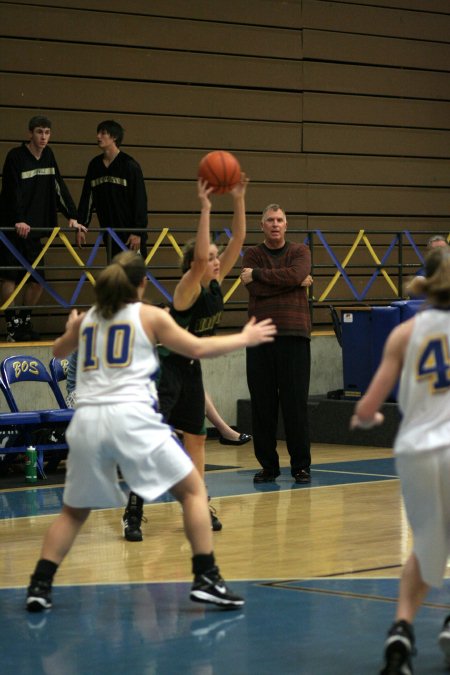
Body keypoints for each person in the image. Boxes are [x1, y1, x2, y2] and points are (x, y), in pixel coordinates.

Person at [25, 250, 276, 614]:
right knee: (193, 491)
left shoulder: (90, 319)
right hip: (131, 418)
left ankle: (39, 586)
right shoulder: (149, 315)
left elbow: (58, 350)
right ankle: (206, 578)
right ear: (142, 284)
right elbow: (199, 347)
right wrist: (245, 336)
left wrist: (70, 329)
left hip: (87, 424)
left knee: (72, 513)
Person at [122, 175, 249, 540]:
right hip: (163, 373)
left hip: (190, 371)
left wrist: (238, 199)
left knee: (196, 440)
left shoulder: (214, 282)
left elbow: (238, 241)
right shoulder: (186, 289)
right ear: (194, 262)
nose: (215, 261)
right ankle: (133, 510)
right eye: (208, 257)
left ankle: (199, 501)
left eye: (215, 257)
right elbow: (199, 258)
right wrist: (206, 208)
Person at [350, 246, 450, 674]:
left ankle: (400, 632)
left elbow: (368, 405)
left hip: (414, 450)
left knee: (428, 540)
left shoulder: (404, 333)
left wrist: (368, 416)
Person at [240, 204, 312, 485]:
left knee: (295, 405)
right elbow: (256, 287)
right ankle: (268, 466)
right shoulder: (253, 254)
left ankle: (301, 467)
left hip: (294, 336)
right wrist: (294, 282)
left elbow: (292, 275)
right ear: (262, 225)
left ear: (286, 224)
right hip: (260, 337)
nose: (275, 224)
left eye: (279, 219)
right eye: (269, 220)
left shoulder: (300, 251)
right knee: (263, 404)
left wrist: (259, 274)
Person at [0, 115, 84, 342]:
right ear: (30, 134)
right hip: (11, 230)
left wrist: (72, 216)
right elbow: (11, 190)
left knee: (36, 281)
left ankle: (25, 320)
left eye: (47, 132)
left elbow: (58, 186)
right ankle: (12, 325)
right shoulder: (15, 157)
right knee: (10, 277)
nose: (43, 137)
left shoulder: (48, 156)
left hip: (35, 231)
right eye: (39, 132)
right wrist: (18, 219)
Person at [76, 120, 148, 259]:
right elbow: (87, 197)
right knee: (116, 277)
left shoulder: (130, 165)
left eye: (103, 133)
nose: (98, 136)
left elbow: (140, 200)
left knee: (136, 277)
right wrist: (81, 226)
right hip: (109, 234)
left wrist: (137, 232)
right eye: (98, 133)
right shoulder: (94, 166)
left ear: (114, 137)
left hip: (130, 235)